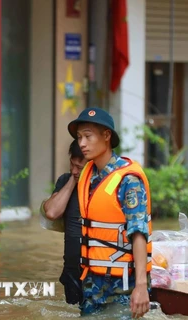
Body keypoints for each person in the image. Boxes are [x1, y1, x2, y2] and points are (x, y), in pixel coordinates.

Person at [67, 107, 152, 318]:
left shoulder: (128, 180)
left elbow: (139, 232)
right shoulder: (87, 173)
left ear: (106, 136)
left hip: (123, 284)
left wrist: (141, 286)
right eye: (79, 137)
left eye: (88, 136)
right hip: (92, 283)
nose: (82, 143)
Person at [42, 140, 87, 305]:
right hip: (72, 271)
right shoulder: (65, 181)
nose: (74, 170)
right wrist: (74, 179)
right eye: (72, 164)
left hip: (98, 271)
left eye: (79, 167)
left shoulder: (105, 186)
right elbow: (52, 212)